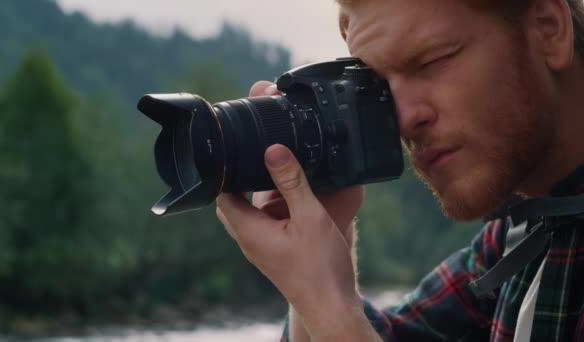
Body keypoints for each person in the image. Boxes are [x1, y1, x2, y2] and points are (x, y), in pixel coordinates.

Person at [215, 0, 584, 340]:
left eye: (432, 61)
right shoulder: (524, 232)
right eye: (381, 87)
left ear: (548, 28)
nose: (403, 120)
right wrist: (320, 255)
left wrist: (325, 303)